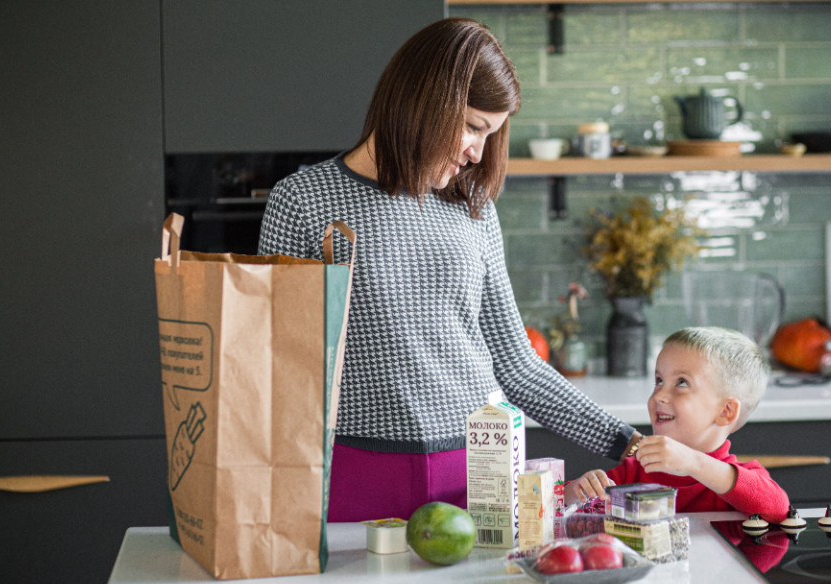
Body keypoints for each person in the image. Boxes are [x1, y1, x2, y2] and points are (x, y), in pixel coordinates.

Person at [258, 17, 642, 522]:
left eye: (492, 134)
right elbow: (281, 370)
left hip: (480, 468)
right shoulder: (303, 202)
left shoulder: (473, 204)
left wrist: (630, 443)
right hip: (352, 471)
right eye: (472, 126)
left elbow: (516, 363)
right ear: (422, 102)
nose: (478, 153)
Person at [564, 327, 790, 523]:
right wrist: (577, 492)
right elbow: (558, 507)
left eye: (682, 383)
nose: (659, 395)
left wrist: (693, 462)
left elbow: (779, 508)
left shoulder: (740, 478)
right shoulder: (633, 471)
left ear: (725, 412)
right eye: (659, 380)